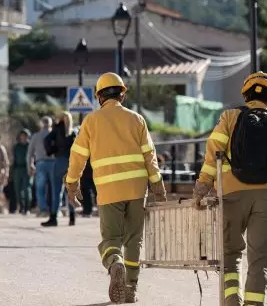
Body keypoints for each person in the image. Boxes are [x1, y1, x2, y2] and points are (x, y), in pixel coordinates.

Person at [193, 71, 267, 306]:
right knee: (258, 262)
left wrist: (203, 186)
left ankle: (232, 300)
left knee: (230, 257)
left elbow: (213, 154)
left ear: (246, 94)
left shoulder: (230, 118)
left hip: (231, 196)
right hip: (265, 198)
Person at [63, 72, 166, 303]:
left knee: (111, 239)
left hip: (109, 190)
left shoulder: (91, 121)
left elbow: (78, 155)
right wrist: (157, 182)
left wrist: (72, 183)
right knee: (133, 240)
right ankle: (130, 288)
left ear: (99, 96)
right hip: (137, 190)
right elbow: (150, 154)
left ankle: (114, 263)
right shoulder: (136, 119)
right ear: (122, 94)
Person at [42, 111, 77, 227]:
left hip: (60, 161)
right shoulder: (74, 132)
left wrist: (52, 150)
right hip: (72, 163)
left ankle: (53, 218)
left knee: (57, 191)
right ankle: (72, 217)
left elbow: (46, 140)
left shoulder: (57, 129)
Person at [27, 116, 55, 217]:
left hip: (40, 163)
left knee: (40, 188)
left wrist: (30, 165)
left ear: (41, 124)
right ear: (51, 124)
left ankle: (43, 209)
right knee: (54, 188)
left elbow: (30, 153)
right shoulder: (55, 135)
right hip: (53, 163)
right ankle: (54, 209)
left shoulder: (36, 136)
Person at [12, 129, 32, 215]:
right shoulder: (16, 147)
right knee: (17, 189)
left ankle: (27, 207)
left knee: (26, 188)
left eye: (25, 135)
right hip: (17, 169)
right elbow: (14, 158)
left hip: (27, 168)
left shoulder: (30, 146)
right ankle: (21, 206)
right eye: (22, 135)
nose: (23, 137)